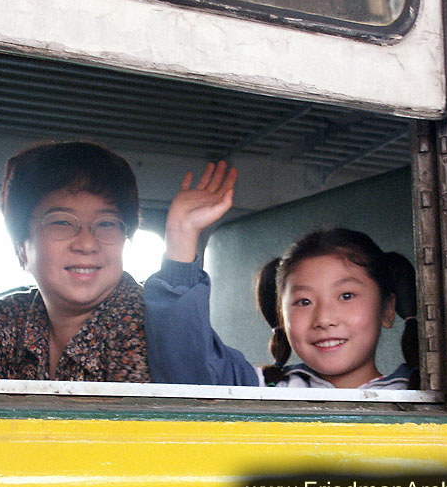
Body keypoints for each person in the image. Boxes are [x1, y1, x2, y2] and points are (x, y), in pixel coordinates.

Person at [144, 162, 419, 388]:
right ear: (282, 317)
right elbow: (186, 368)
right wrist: (181, 236)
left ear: (386, 309)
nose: (324, 319)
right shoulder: (262, 388)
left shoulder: (419, 392)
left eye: (346, 296)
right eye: (303, 302)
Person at [0, 140, 150, 381]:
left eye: (106, 224)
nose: (86, 244)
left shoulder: (148, 324)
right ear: (21, 245)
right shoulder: (8, 320)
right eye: (61, 222)